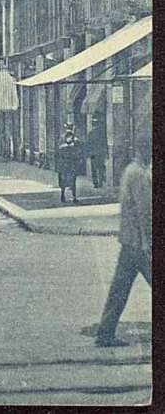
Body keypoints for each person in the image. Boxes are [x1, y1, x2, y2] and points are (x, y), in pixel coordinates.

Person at [96, 133, 152, 347]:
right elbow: (145, 211)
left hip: (128, 242)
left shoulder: (131, 171)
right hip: (140, 244)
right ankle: (104, 333)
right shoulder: (139, 174)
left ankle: (105, 332)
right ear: (144, 150)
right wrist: (149, 242)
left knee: (119, 289)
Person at [56, 126, 83, 203]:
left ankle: (71, 196)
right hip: (65, 164)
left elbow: (78, 151)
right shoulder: (63, 140)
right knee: (65, 181)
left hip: (69, 165)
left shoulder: (75, 141)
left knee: (71, 181)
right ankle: (63, 196)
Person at [85, 114, 108, 188]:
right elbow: (104, 143)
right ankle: (100, 181)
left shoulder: (91, 133)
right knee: (101, 168)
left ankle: (95, 183)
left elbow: (88, 144)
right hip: (101, 153)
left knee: (94, 169)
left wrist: (88, 153)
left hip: (93, 154)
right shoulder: (102, 133)